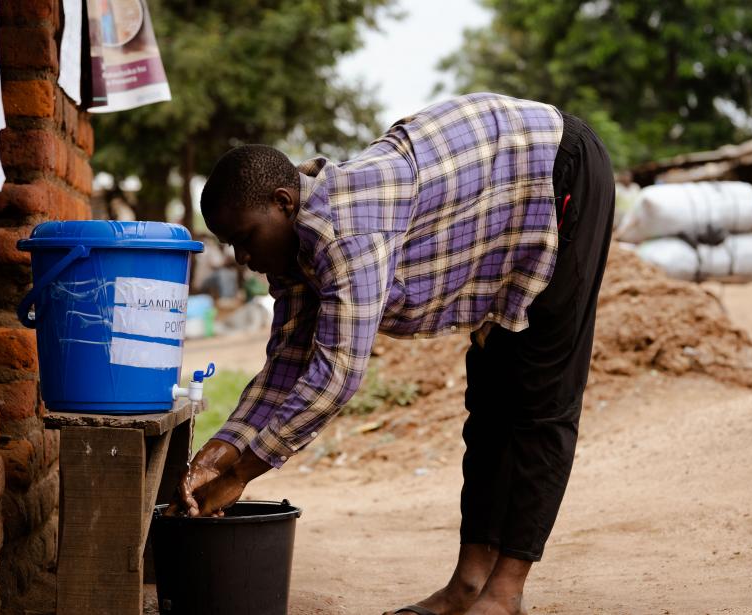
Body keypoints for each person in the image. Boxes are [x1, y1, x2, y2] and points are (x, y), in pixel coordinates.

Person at [170, 93, 615, 615]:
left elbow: (335, 375)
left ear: (284, 202)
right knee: (490, 406)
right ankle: (469, 584)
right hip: (497, 205)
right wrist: (226, 445)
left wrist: (244, 471)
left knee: (540, 401)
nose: (243, 259)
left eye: (245, 238)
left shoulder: (346, 231)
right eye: (230, 246)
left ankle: (505, 592)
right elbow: (289, 359)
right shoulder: (292, 249)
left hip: (556, 170)